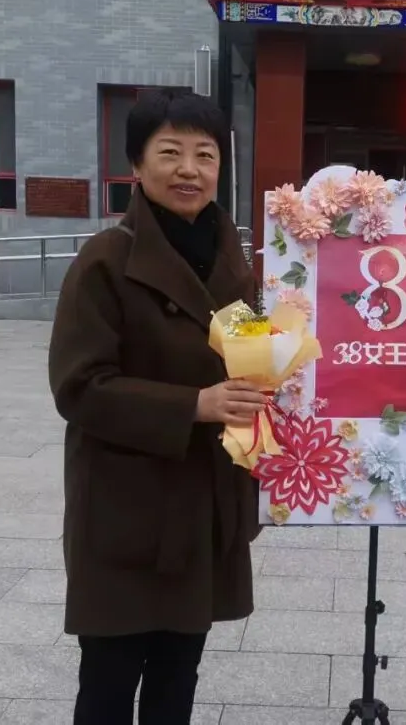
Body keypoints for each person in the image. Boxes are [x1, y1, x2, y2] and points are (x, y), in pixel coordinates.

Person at [48, 89, 267, 725]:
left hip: (202, 506)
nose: (189, 169)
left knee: (178, 677)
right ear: (136, 166)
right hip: (126, 508)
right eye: (170, 153)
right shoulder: (105, 261)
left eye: (206, 155)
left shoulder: (234, 265)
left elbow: (252, 364)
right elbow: (79, 386)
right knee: (109, 681)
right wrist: (194, 404)